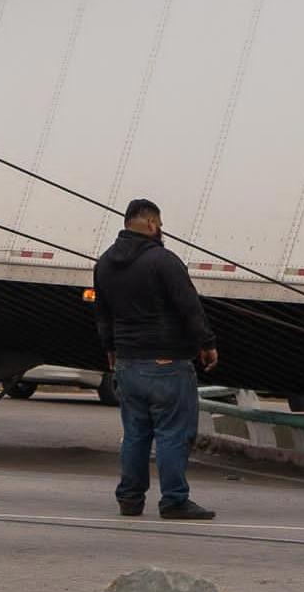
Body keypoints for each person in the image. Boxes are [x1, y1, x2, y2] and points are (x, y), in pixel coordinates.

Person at [93, 197, 218, 521]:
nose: (160, 231)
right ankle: (174, 500)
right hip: (167, 363)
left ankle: (130, 499)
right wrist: (206, 343)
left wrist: (110, 348)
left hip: (128, 363)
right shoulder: (163, 261)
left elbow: (103, 314)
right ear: (151, 224)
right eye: (159, 225)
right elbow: (189, 306)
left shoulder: (104, 263)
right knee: (173, 433)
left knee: (135, 434)